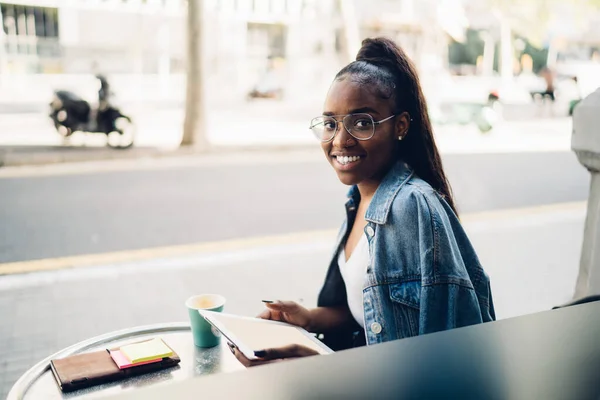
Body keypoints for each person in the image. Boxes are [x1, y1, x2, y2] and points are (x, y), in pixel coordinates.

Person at [231, 37, 496, 367]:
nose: (340, 140)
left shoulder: (411, 207)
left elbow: (447, 354)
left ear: (400, 126)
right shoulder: (358, 200)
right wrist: (309, 319)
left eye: (362, 122)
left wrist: (314, 362)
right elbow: (370, 313)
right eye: (330, 123)